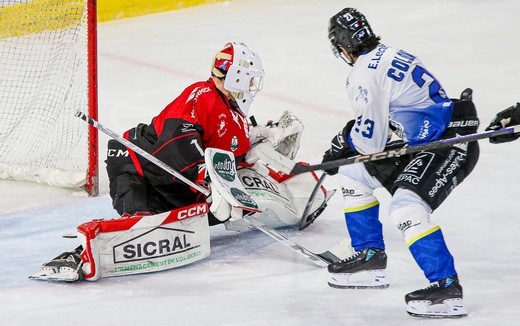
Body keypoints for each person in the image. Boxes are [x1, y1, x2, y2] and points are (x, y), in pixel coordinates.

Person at [31, 42, 332, 282]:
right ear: (237, 76)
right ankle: (75, 256)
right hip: (139, 169)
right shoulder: (202, 95)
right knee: (139, 226)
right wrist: (208, 180)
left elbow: (236, 160)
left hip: (177, 185)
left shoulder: (237, 118)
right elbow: (176, 143)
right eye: (250, 79)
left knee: (226, 208)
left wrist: (272, 151)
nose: (252, 86)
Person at [322, 8, 480, 318]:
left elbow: (370, 143)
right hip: (429, 139)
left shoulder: (363, 75)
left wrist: (344, 142)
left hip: (449, 144)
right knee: (354, 172)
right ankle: (369, 257)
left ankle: (446, 288)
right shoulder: (388, 52)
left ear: (341, 47)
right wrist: (347, 148)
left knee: (406, 207)